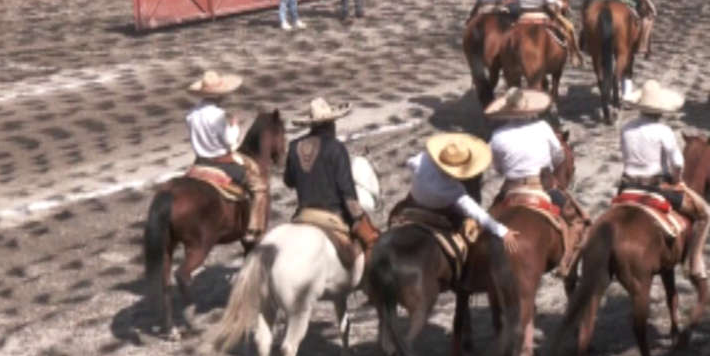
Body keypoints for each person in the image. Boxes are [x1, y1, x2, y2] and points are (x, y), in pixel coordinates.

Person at [616, 80, 710, 284]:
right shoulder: (663, 131)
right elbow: (677, 163)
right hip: (656, 187)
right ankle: (695, 262)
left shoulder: (626, 128)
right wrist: (677, 181)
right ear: (659, 108)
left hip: (626, 186)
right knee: (705, 214)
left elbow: (624, 155)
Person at [485, 88, 589, 276]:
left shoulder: (497, 135)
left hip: (511, 189)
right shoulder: (542, 126)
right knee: (577, 221)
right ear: (526, 107)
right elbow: (558, 156)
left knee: (483, 223)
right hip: (541, 186)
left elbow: (497, 168)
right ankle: (567, 262)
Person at [285, 97, 380, 253]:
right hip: (333, 215)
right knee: (371, 246)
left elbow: (289, 181)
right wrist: (360, 218)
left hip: (303, 214)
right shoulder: (336, 148)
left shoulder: (294, 146)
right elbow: (348, 195)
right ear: (331, 124)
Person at [398, 132, 521, 253]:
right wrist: (502, 231)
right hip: (439, 214)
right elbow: (476, 212)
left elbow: (410, 162)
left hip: (413, 202)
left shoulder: (423, 159)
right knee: (467, 238)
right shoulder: (454, 190)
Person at [185, 70, 268, 248]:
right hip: (221, 162)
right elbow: (230, 142)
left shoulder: (191, 114)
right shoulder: (217, 115)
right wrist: (235, 126)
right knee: (259, 186)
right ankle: (253, 229)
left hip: (199, 162)